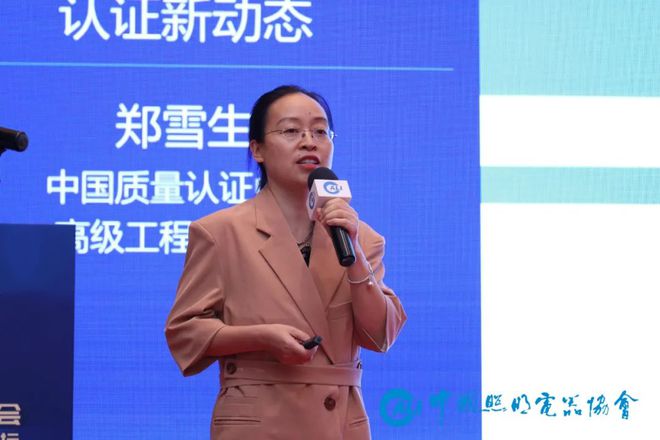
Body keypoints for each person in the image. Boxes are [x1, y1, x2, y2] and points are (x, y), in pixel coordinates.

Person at [165, 85, 406, 439]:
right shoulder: (220, 232)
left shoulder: (361, 237)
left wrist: (354, 257)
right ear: (257, 149)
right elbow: (184, 332)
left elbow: (381, 335)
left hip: (339, 423)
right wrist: (260, 337)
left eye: (320, 131)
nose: (309, 142)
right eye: (291, 130)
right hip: (257, 421)